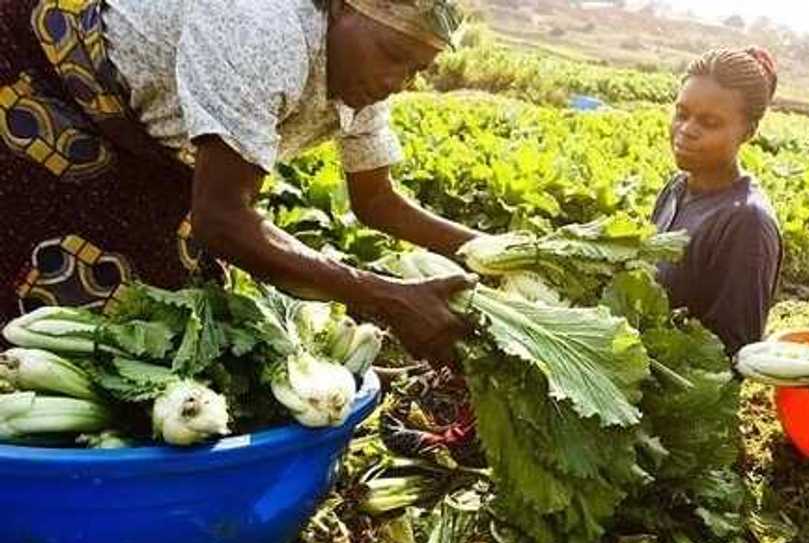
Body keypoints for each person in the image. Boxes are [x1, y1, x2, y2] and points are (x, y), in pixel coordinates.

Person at [0, 0, 479, 365]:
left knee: (163, 315)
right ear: (339, 8)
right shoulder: (263, 29)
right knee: (48, 298)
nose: (398, 79)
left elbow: (376, 200)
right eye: (393, 54)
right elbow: (223, 220)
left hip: (140, 137)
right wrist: (388, 297)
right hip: (40, 76)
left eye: (417, 69)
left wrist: (492, 252)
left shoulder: (365, 78)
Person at [651, 47, 784, 353]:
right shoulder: (676, 189)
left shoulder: (746, 222)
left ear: (748, 132)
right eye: (681, 114)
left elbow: (730, 353)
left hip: (676, 395)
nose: (685, 130)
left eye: (709, 123)